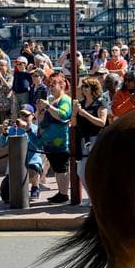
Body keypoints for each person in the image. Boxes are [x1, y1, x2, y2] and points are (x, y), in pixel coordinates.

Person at [36, 72, 74, 205]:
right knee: (57, 169)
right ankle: (61, 192)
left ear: (62, 85)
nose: (50, 88)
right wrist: (40, 110)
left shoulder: (65, 100)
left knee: (62, 167)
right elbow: (42, 119)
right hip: (50, 140)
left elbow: (63, 115)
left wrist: (47, 106)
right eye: (50, 85)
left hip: (61, 141)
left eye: (53, 85)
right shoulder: (52, 100)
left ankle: (64, 194)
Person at [0, 106, 45, 203]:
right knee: (5, 195)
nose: (23, 117)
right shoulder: (12, 129)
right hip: (15, 165)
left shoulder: (36, 129)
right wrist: (4, 133)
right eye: (21, 115)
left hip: (32, 163)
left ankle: (35, 187)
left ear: (32, 116)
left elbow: (39, 146)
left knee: (31, 173)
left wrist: (27, 129)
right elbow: (0, 145)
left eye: (26, 115)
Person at [74, 77, 111, 204]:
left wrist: (85, 114)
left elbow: (102, 122)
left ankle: (98, 198)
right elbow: (74, 124)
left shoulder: (100, 102)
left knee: (96, 170)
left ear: (93, 88)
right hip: (84, 139)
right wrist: (75, 113)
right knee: (81, 171)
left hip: (97, 138)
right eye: (83, 86)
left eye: (86, 86)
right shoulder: (81, 103)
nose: (83, 89)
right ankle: (91, 197)